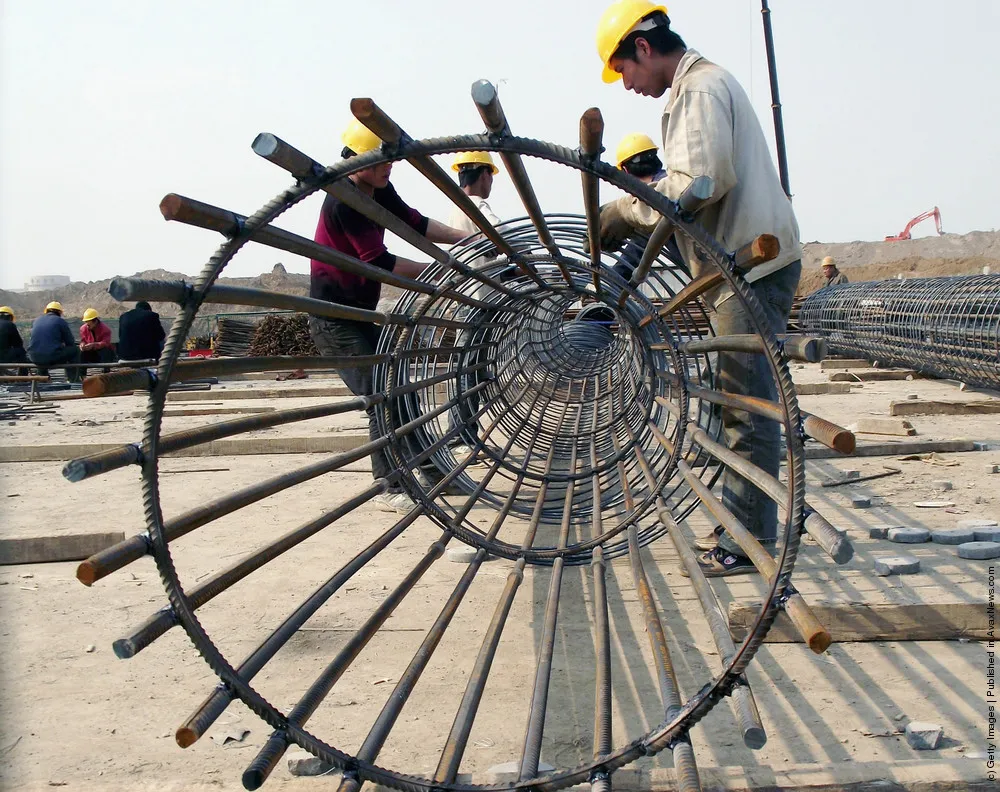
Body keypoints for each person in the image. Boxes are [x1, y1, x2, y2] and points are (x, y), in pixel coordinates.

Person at [595, 0, 802, 576]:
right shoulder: (698, 88)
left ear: (642, 47)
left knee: (744, 407)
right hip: (739, 263)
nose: (628, 86)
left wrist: (623, 208)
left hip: (751, 264)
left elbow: (699, 183)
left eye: (625, 71)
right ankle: (745, 524)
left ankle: (747, 541)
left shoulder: (700, 89)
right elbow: (685, 194)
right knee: (739, 402)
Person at [308, 119, 467, 513]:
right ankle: (390, 484)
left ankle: (430, 469)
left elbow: (414, 223)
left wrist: (467, 240)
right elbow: (379, 260)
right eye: (380, 163)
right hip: (333, 319)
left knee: (400, 388)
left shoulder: (378, 189)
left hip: (360, 315)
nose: (388, 168)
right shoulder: (344, 199)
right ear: (357, 160)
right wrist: (446, 270)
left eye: (389, 162)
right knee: (380, 396)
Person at [447, 151, 503, 457]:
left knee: (469, 367)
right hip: (480, 301)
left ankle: (463, 433)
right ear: (485, 175)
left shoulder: (455, 208)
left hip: (467, 299)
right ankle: (459, 437)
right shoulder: (478, 206)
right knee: (470, 368)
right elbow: (504, 237)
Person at [611, 132, 683, 282]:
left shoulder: (652, 205)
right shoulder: (675, 184)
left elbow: (639, 246)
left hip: (717, 275)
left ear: (625, 171)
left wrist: (611, 281)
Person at [27, 301, 81, 382]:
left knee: (41, 352)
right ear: (59, 312)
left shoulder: (37, 320)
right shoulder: (60, 321)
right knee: (75, 350)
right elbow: (70, 342)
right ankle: (73, 379)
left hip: (33, 357)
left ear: (47, 311)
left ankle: (43, 377)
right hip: (50, 357)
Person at [79, 308, 115, 378]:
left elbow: (105, 343)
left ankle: (106, 373)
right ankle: (82, 375)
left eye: (89, 324)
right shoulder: (83, 329)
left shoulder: (105, 329)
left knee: (105, 350)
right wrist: (82, 345)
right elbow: (83, 340)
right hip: (91, 353)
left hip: (103, 355)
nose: (87, 326)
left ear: (95, 321)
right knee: (82, 353)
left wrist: (94, 345)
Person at [0, 306, 29, 374]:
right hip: (3, 356)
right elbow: (18, 343)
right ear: (10, 317)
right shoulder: (9, 325)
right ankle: (23, 377)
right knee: (20, 352)